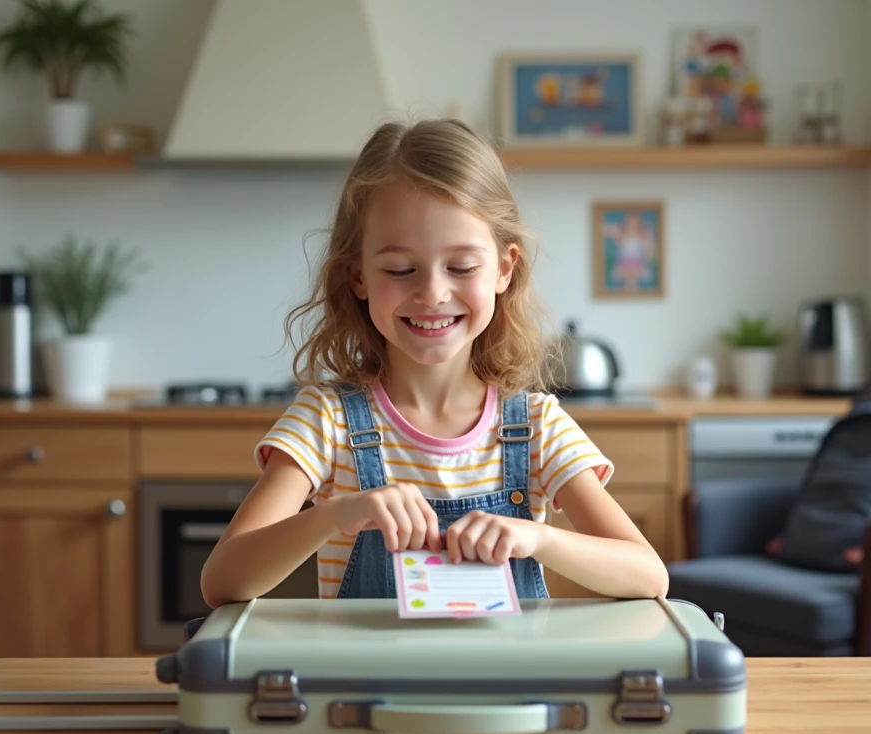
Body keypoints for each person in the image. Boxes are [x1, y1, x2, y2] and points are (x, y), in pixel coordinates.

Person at [200, 118, 669, 606]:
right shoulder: (326, 420)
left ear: (503, 270)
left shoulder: (536, 426)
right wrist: (336, 515)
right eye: (400, 270)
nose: (432, 293)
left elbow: (649, 576)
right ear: (357, 276)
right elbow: (222, 581)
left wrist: (539, 539)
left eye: (461, 268)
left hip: (508, 683)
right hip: (368, 683)